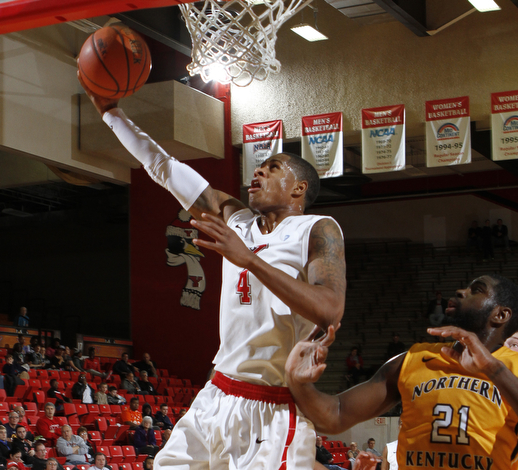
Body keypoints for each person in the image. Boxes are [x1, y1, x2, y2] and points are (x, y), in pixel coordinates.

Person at [78, 69, 345, 470]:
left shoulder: (316, 229)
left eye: (272, 168)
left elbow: (330, 309)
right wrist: (112, 113)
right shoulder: (235, 219)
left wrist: (249, 260)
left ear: (298, 189)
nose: (257, 171)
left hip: (270, 405)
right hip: (216, 394)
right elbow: (164, 167)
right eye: (258, 166)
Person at [286, 274, 518, 470]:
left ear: (500, 315)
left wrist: (492, 368)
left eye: (475, 290)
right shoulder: (414, 359)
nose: (460, 291)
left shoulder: (512, 366)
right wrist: (298, 382)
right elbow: (335, 415)